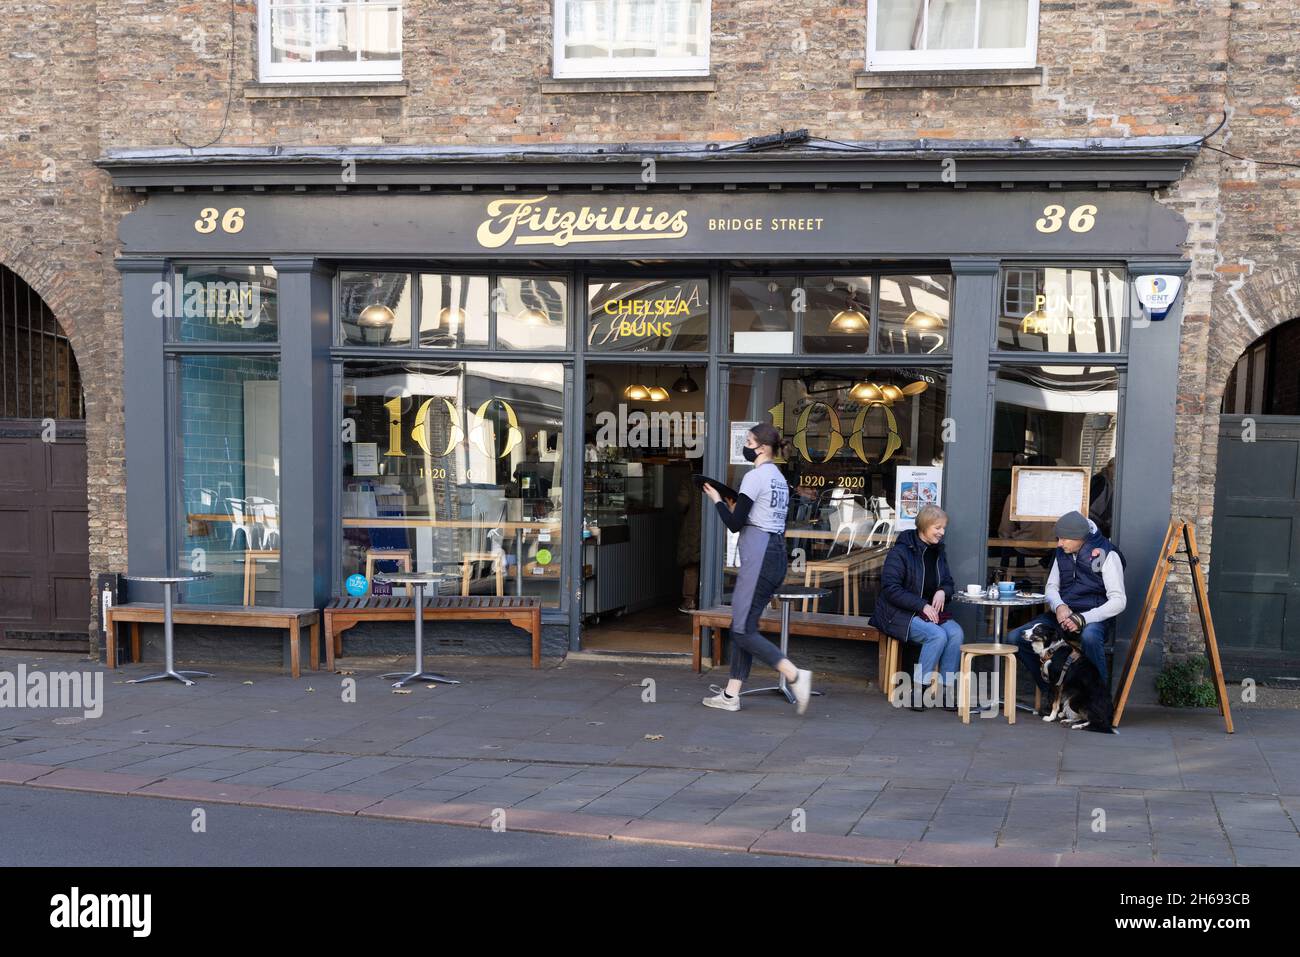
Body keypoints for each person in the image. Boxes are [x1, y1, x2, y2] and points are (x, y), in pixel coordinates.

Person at [700, 423, 814, 714]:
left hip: (758, 554)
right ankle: (730, 695)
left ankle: (795, 676)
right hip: (775, 554)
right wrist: (734, 503)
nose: (746, 446)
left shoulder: (754, 477)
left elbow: (735, 524)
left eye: (749, 441)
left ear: (762, 447)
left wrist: (716, 500)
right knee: (744, 624)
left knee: (741, 628)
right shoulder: (777, 477)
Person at [1008, 509, 1126, 702]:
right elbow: (1052, 587)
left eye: (1063, 539)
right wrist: (1060, 606)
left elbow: (1119, 601)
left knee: (1089, 638)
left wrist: (1082, 618)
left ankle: (1099, 701)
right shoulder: (1062, 552)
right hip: (1063, 615)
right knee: (1016, 637)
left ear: (1080, 537)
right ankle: (1053, 696)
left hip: (1094, 618)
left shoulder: (1107, 554)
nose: (1059, 543)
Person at [868, 504, 964, 710]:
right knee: (936, 635)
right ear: (923, 527)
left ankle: (946, 692)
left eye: (943, 527)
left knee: (956, 633)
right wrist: (921, 605)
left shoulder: (938, 552)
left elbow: (948, 582)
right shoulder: (901, 552)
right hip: (898, 614)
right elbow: (890, 589)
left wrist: (942, 591)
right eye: (937, 527)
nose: (942, 532)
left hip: (929, 613)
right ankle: (918, 691)